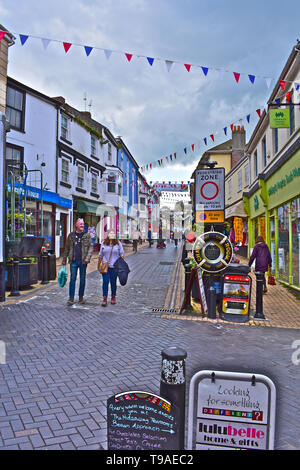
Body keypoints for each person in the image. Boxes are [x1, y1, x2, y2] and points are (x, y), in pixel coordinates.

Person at [62, 218, 93, 305]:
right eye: (81, 224)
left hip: (83, 261)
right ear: (76, 225)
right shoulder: (71, 235)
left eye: (83, 224)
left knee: (82, 280)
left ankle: (81, 297)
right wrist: (64, 259)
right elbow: (67, 248)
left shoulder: (87, 235)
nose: (82, 225)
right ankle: (71, 298)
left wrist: (88, 257)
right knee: (72, 279)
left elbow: (91, 247)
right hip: (73, 261)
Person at [98, 229, 124, 306]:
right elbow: (100, 255)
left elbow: (122, 255)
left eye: (113, 233)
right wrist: (98, 264)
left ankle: (113, 297)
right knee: (105, 282)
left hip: (115, 267)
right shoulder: (103, 243)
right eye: (110, 233)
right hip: (105, 267)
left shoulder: (118, 244)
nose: (111, 235)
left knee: (113, 282)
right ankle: (104, 298)